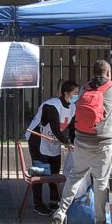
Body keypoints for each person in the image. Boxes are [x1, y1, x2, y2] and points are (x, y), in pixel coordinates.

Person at [51, 60, 112, 224]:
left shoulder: (84, 87)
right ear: (108, 72)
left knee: (75, 176)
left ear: (94, 72)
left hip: (81, 139)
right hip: (102, 142)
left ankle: (60, 212)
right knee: (101, 182)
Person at [25, 79, 78, 215]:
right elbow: (55, 128)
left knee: (54, 171)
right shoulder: (51, 105)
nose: (77, 95)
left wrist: (74, 142)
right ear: (66, 93)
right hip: (38, 140)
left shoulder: (72, 108)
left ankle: (54, 202)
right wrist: (66, 143)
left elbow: (72, 128)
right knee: (41, 172)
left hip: (53, 142)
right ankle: (38, 203)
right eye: (75, 93)